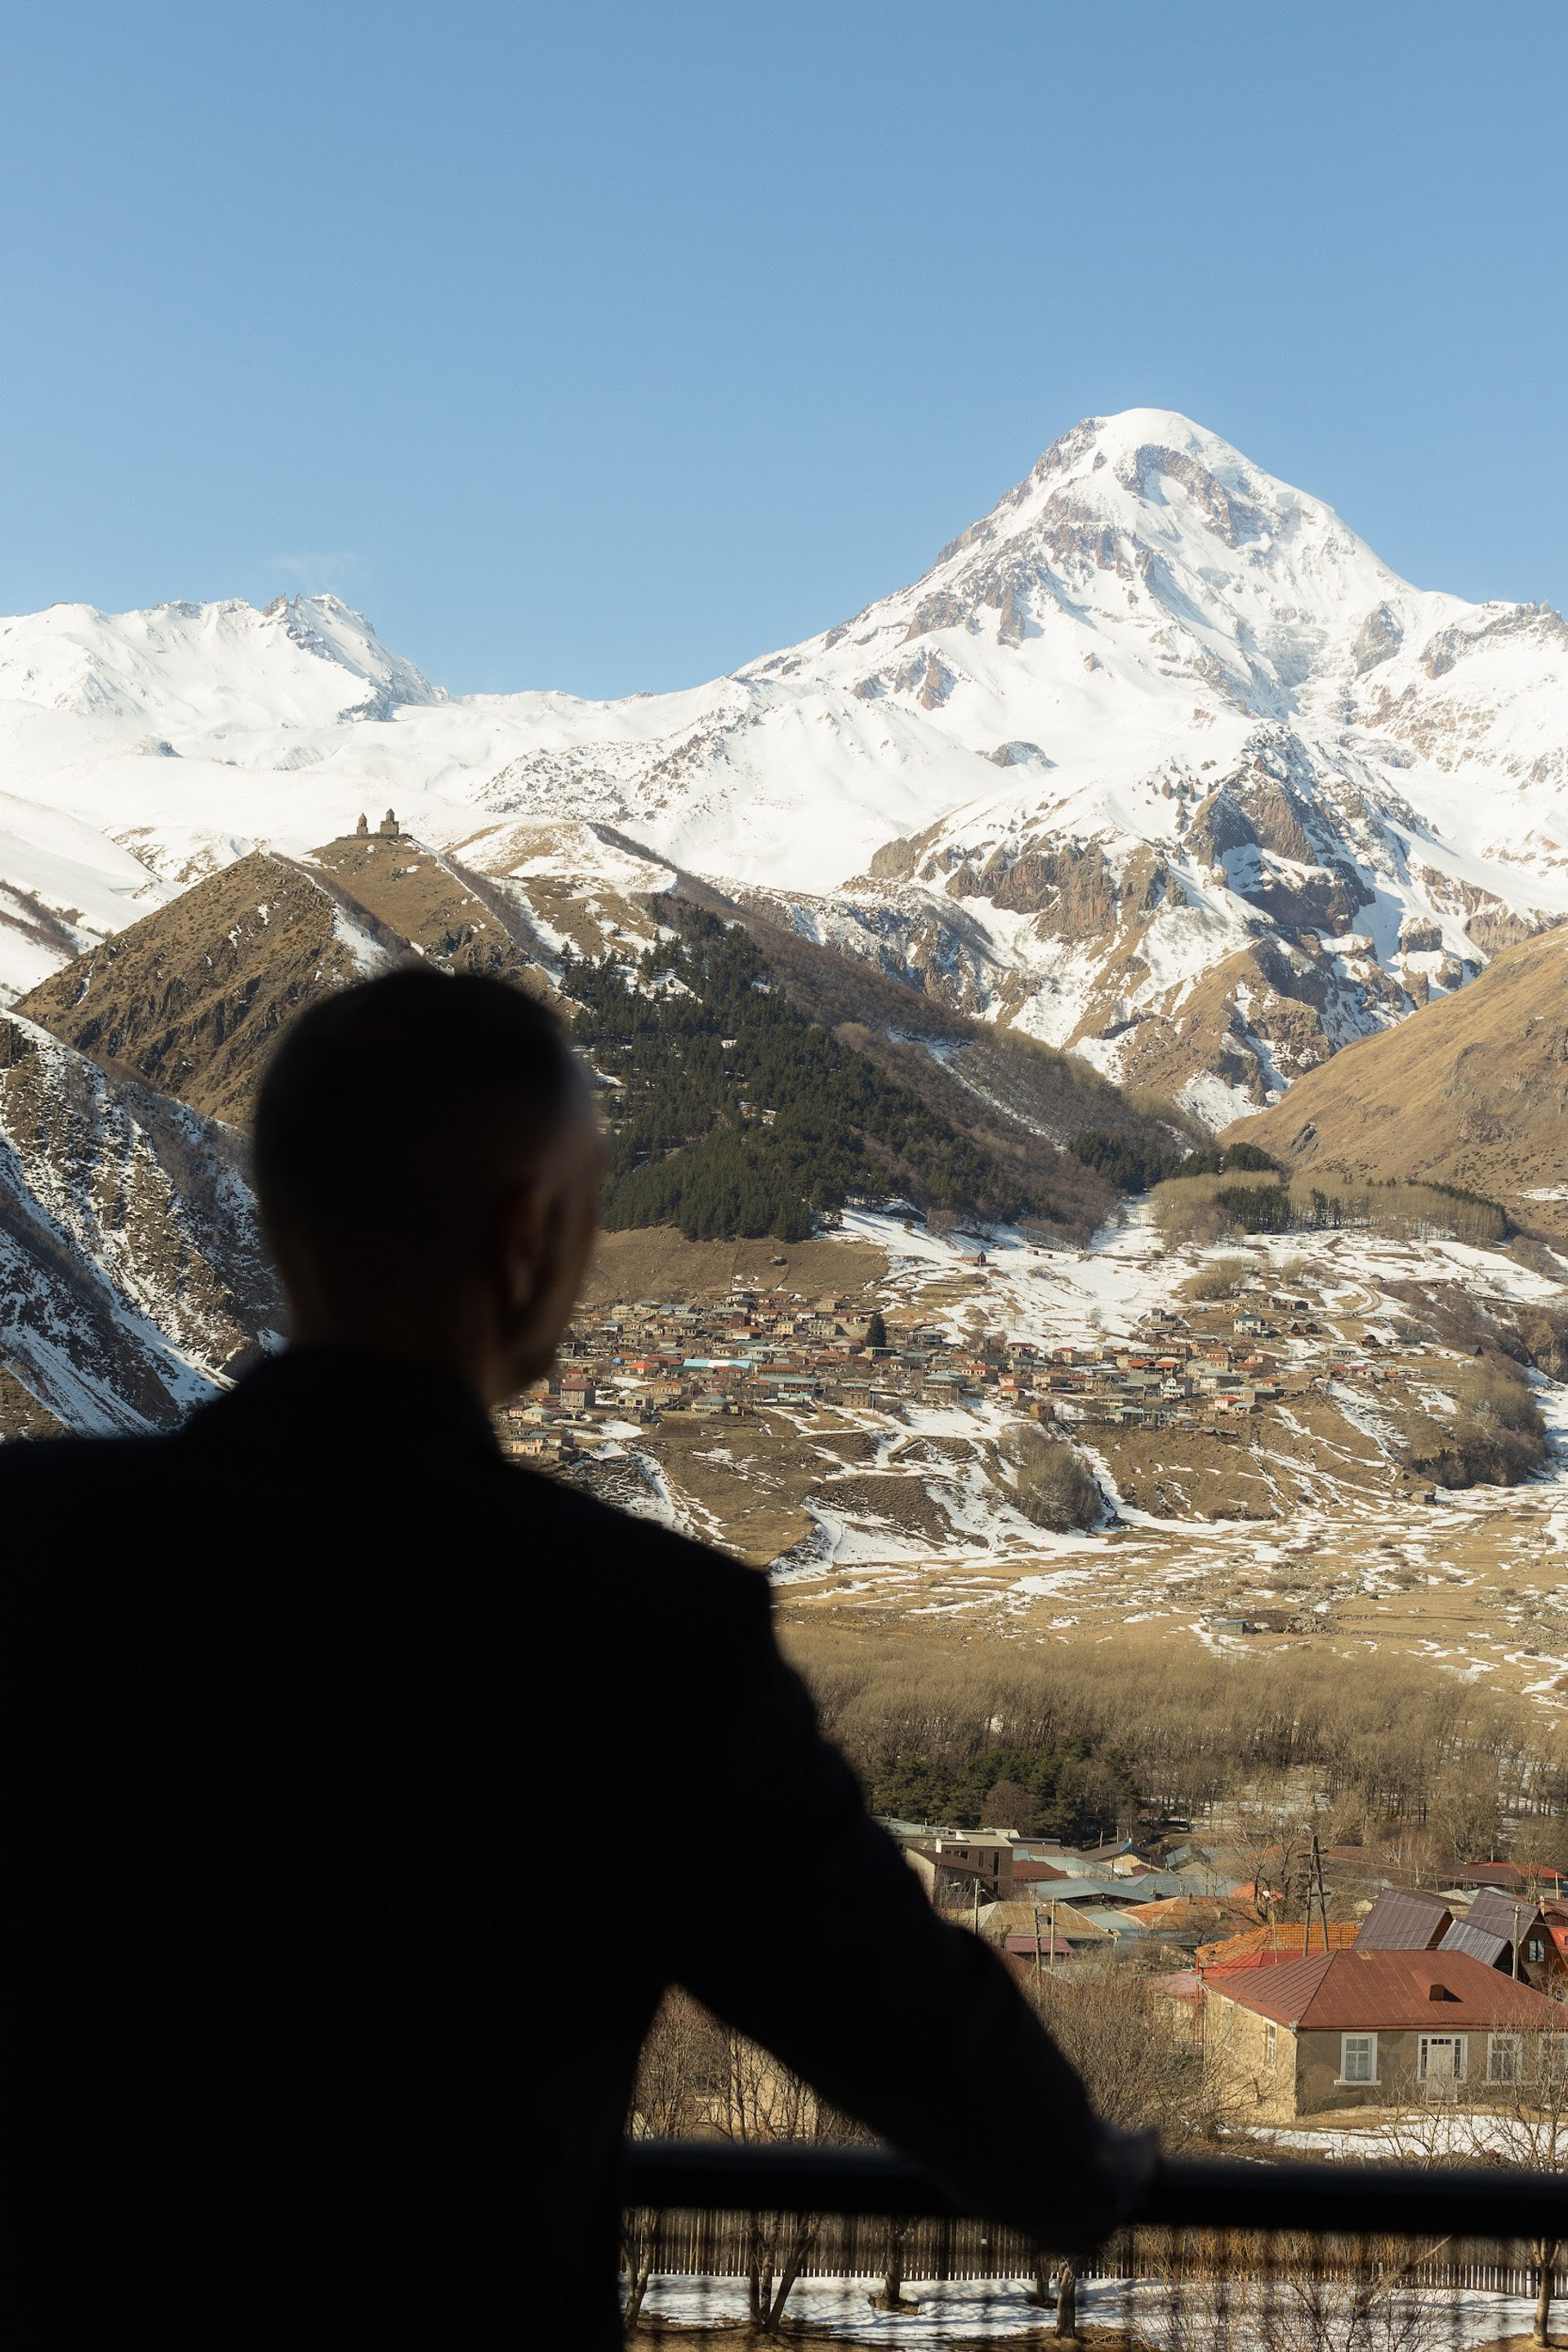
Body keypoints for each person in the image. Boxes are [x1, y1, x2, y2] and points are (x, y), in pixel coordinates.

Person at [1, 969, 1146, 2347]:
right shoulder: (635, 1632)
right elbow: (887, 2010)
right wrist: (1082, 2178)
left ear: (282, 1221)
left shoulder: (33, 1549)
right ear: (526, 1238)